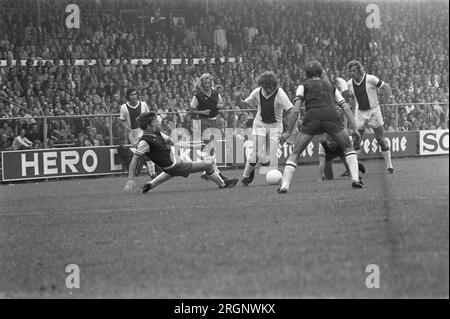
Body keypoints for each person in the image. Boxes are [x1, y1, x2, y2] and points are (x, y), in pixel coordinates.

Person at [278, 60, 365, 193]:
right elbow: (346, 107)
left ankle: (284, 186)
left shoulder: (303, 86)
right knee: (348, 147)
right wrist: (354, 129)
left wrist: (289, 132)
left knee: (295, 153)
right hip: (331, 117)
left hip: (312, 118)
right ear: (320, 72)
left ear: (307, 74)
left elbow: (295, 111)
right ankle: (355, 180)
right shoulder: (330, 85)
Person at [124, 112, 239, 193]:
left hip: (172, 164)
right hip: (174, 165)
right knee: (208, 165)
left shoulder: (157, 133)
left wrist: (195, 145)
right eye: (154, 122)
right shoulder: (144, 141)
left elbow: (176, 143)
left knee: (171, 172)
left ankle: (149, 185)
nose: (157, 123)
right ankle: (223, 184)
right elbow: (135, 160)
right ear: (148, 126)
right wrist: (130, 179)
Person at [235, 71, 294, 186]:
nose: (267, 89)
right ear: (261, 85)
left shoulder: (280, 94)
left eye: (270, 87)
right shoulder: (257, 92)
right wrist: (238, 99)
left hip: (275, 127)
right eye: (265, 87)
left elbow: (291, 111)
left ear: (274, 85)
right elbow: (244, 106)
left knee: (267, 159)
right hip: (260, 124)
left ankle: (251, 169)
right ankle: (245, 178)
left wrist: (290, 132)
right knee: (255, 154)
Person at [346, 60, 394, 174]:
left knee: (381, 139)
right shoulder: (349, 84)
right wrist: (352, 114)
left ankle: (389, 166)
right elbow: (352, 99)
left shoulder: (370, 79)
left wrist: (386, 104)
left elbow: (386, 88)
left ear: (359, 70)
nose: (352, 73)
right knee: (356, 139)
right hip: (360, 113)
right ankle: (354, 168)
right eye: (350, 71)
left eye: (354, 70)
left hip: (374, 111)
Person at [189, 73, 231, 183]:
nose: (207, 85)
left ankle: (207, 171)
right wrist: (202, 112)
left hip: (215, 121)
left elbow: (221, 104)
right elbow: (191, 110)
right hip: (204, 122)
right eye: (205, 83)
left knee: (214, 147)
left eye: (209, 82)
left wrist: (220, 106)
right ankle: (212, 171)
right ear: (202, 84)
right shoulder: (197, 96)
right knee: (208, 147)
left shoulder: (216, 93)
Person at [120, 88, 157, 177]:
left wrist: (151, 127)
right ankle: (140, 171)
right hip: (133, 134)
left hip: (144, 131)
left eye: (134, 94)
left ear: (137, 95)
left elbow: (149, 117)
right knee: (142, 153)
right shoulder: (124, 107)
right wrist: (127, 127)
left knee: (148, 150)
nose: (133, 96)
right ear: (128, 96)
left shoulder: (143, 104)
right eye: (131, 95)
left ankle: (152, 173)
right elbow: (122, 120)